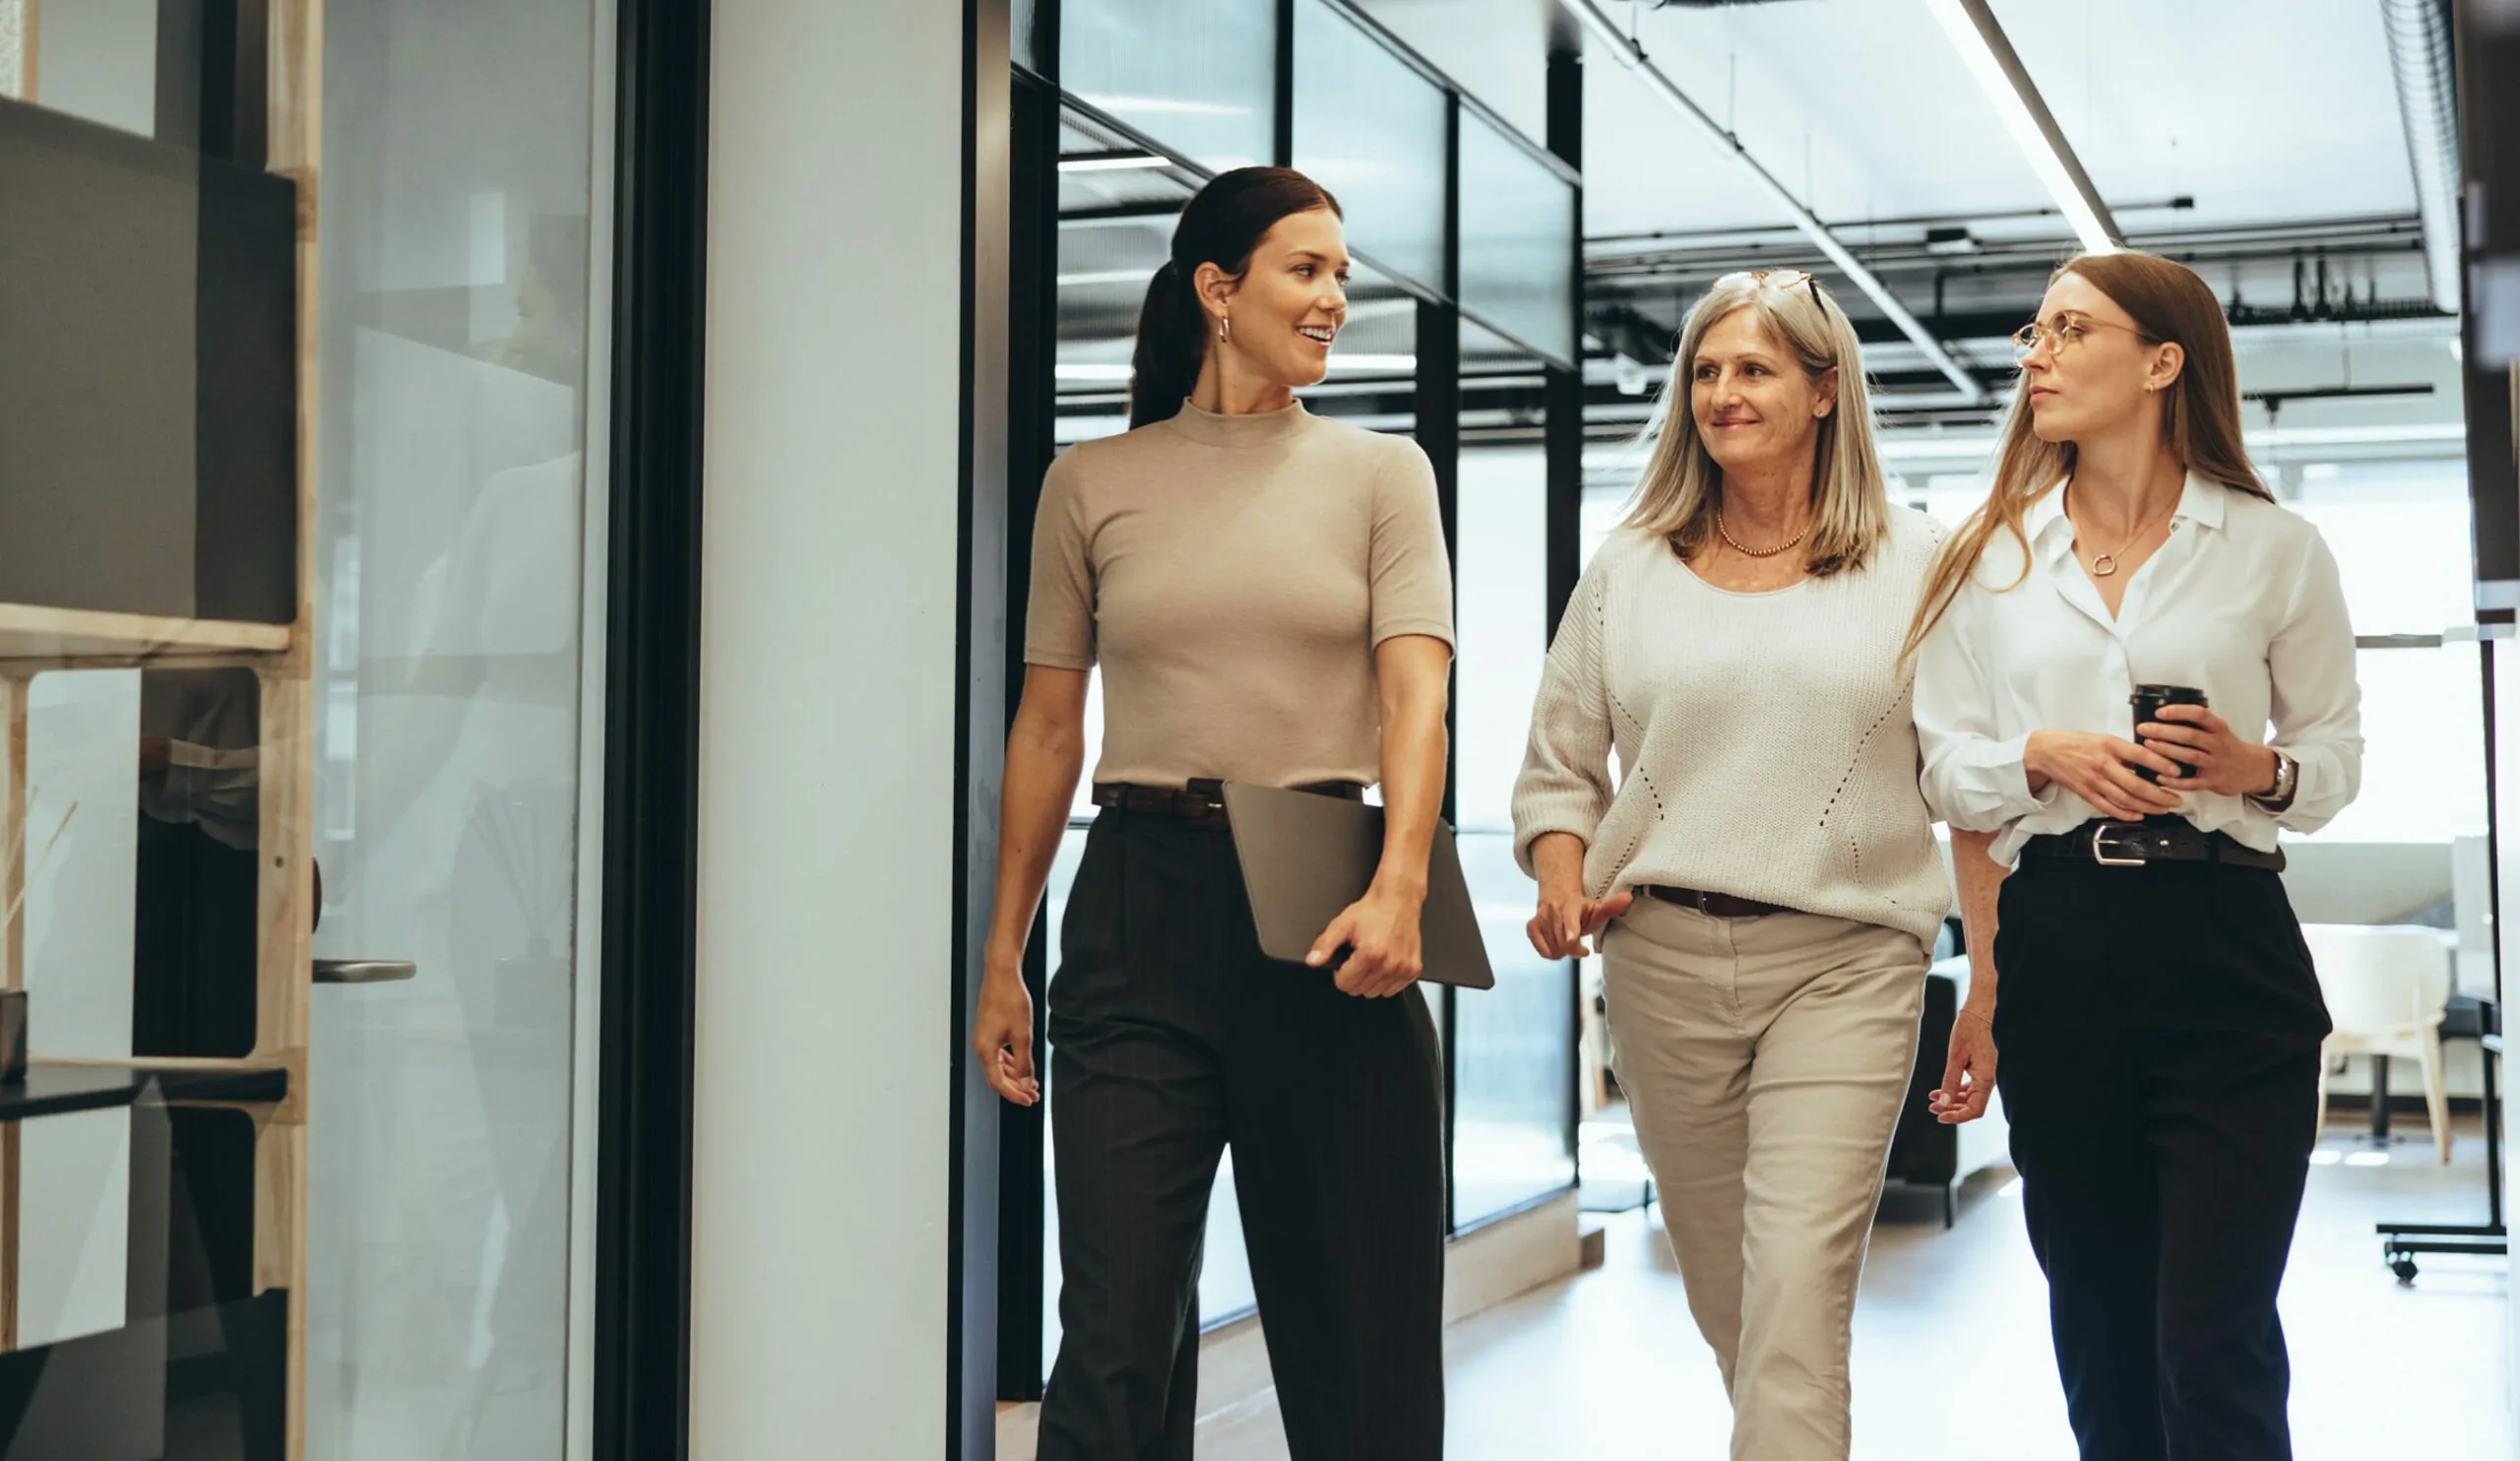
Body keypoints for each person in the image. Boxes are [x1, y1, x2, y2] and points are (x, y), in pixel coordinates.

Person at [972, 166, 1453, 1461]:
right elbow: (1049, 729)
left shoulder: (1380, 475)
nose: (1337, 298)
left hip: (1323, 896)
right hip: (1137, 901)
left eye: (1344, 273)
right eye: (1309, 270)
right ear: (1218, 291)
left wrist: (1404, 882)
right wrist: (1002, 952)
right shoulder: (1093, 481)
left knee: (1356, 1339)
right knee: (1117, 1336)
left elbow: (1417, 703)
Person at [1910, 250, 2362, 1459]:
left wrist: (2247, 767)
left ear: (2161, 363)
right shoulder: (1985, 558)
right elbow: (1942, 771)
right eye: (2033, 332)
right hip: (2060, 940)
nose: (2034, 353)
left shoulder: (2274, 546)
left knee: (2211, 1332)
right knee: (2099, 1326)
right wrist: (2041, 756)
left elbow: (2333, 758)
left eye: (2068, 329)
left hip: (2228, 945)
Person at [1513, 270, 1947, 1458]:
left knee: (1796, 1294)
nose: (1721, 392)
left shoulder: (1916, 561)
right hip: (1658, 963)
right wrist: (1560, 873)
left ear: (1823, 389)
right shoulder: (1630, 567)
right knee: (1733, 1303)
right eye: (1704, 371)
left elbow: (1971, 782)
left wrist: (1994, 983)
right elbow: (1559, 768)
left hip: (1848, 961)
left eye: (1752, 369)